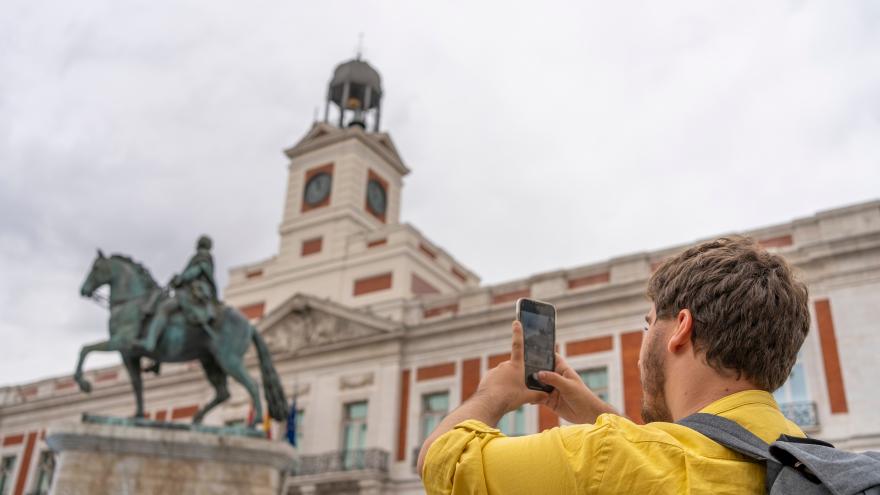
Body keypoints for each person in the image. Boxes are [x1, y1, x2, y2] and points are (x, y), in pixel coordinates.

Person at [418, 236, 810, 494]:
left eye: (647, 324)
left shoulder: (601, 457)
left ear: (680, 329)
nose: (641, 348)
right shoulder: (804, 455)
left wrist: (494, 393)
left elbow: (442, 461)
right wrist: (598, 414)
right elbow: (670, 453)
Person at [137, 235, 219, 353]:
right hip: (194, 291)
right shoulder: (205, 256)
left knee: (164, 308)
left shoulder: (202, 256)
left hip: (195, 292)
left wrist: (181, 278)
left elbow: (196, 271)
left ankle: (150, 342)